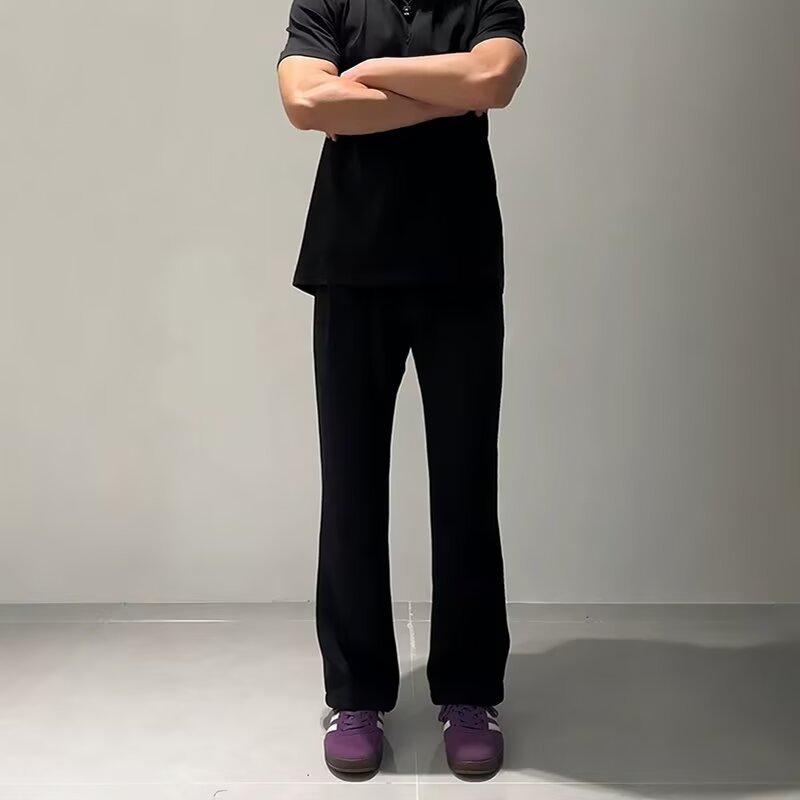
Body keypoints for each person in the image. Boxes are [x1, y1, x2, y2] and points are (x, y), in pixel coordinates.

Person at [277, 0, 527, 778]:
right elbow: (305, 100)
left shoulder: (482, 1)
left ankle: (470, 691)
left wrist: (372, 77)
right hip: (351, 266)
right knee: (351, 488)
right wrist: (446, 96)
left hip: (459, 266)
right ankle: (355, 695)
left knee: (466, 487)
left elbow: (495, 79)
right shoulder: (327, 0)